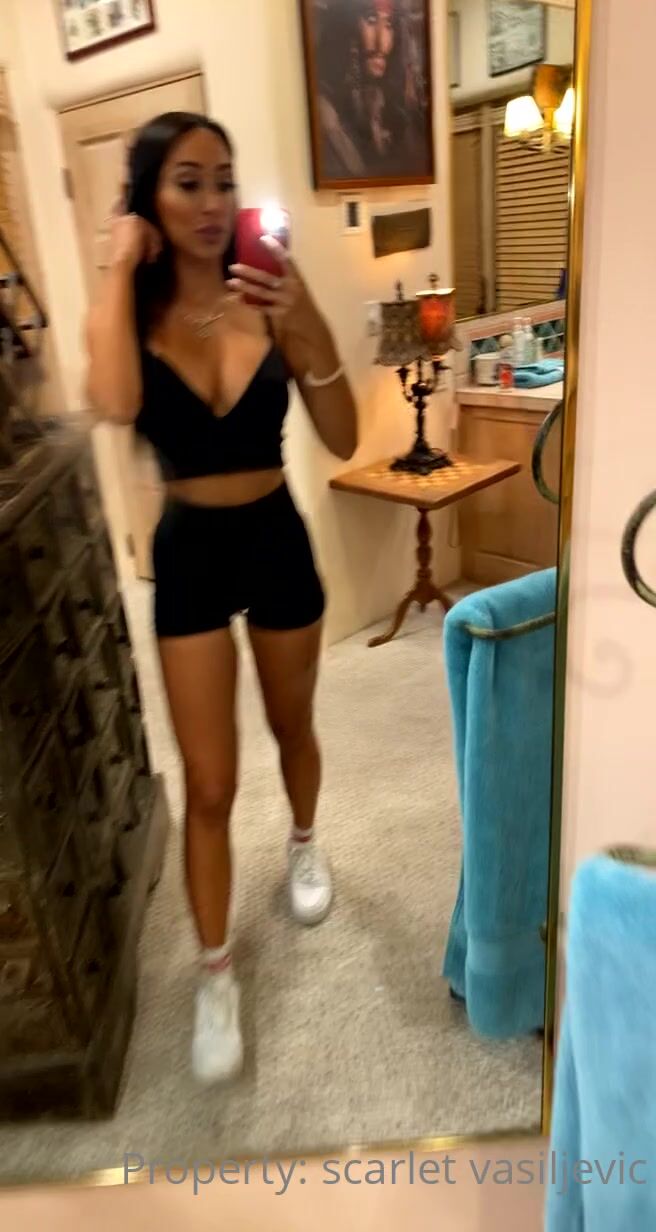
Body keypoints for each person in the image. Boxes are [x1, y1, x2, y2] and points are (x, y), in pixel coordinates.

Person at [85, 111, 357, 1085]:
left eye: (224, 181)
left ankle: (303, 844)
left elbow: (343, 435)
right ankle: (213, 973)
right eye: (187, 181)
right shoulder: (130, 308)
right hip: (190, 554)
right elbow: (116, 402)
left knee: (293, 727)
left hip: (275, 535)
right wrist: (120, 262)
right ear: (149, 198)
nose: (211, 202)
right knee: (207, 783)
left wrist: (304, 316)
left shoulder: (271, 294)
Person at [316, 0, 429, 181]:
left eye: (389, 24)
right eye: (371, 20)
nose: (382, 43)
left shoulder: (394, 111)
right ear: (346, 26)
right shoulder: (326, 117)